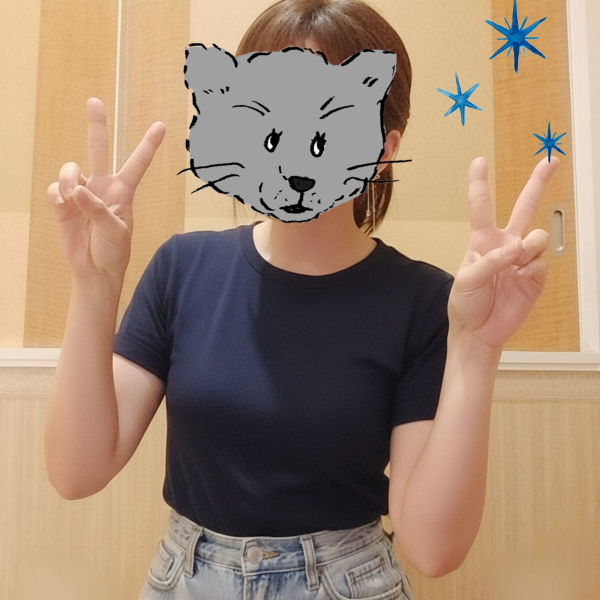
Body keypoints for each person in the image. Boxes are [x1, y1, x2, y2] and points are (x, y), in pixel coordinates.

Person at [44, 0, 559, 598]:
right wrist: (94, 282)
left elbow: (432, 549)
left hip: (347, 582)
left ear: (383, 149)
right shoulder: (182, 268)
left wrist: (478, 347)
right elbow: (76, 473)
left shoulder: (424, 301)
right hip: (186, 579)